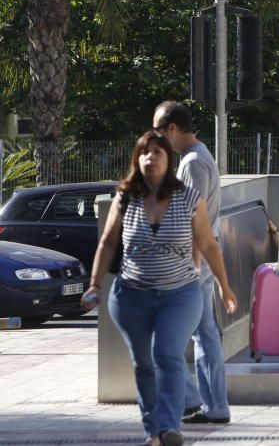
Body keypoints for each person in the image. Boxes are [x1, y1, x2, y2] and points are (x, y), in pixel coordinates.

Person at [81, 131, 237, 446]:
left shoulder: (191, 198)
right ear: (136, 159)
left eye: (158, 153)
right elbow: (108, 241)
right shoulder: (125, 197)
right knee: (143, 363)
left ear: (169, 160)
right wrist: (95, 285)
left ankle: (169, 428)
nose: (151, 158)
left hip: (180, 294)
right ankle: (152, 431)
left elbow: (208, 244)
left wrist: (224, 286)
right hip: (131, 295)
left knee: (168, 355)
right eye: (145, 153)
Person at [152, 101, 230, 426]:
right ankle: (215, 406)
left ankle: (191, 400)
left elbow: (192, 221)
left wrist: (191, 269)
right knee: (205, 334)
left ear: (172, 128)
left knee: (163, 339)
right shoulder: (198, 158)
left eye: (158, 130)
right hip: (198, 263)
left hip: (191, 265)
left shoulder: (193, 164)